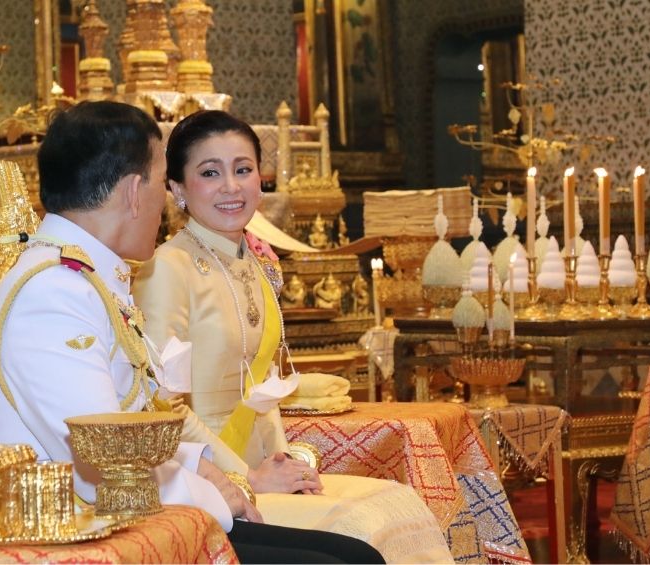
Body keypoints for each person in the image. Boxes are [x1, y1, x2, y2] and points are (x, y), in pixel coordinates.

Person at [0, 101, 384, 564]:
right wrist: (221, 490)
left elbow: (134, 425)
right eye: (160, 182)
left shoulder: (85, 278)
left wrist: (204, 467)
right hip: (76, 538)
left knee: (354, 555)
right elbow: (106, 463)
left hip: (124, 517)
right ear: (135, 191)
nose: (165, 203)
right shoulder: (54, 290)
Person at [133, 110, 455, 564]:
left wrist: (286, 465)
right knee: (362, 534)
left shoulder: (256, 264)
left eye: (243, 169)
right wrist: (246, 478)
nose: (231, 186)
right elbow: (164, 407)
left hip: (264, 474)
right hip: (209, 486)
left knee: (400, 505)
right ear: (177, 188)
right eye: (210, 173)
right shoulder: (167, 268)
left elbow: (265, 387)